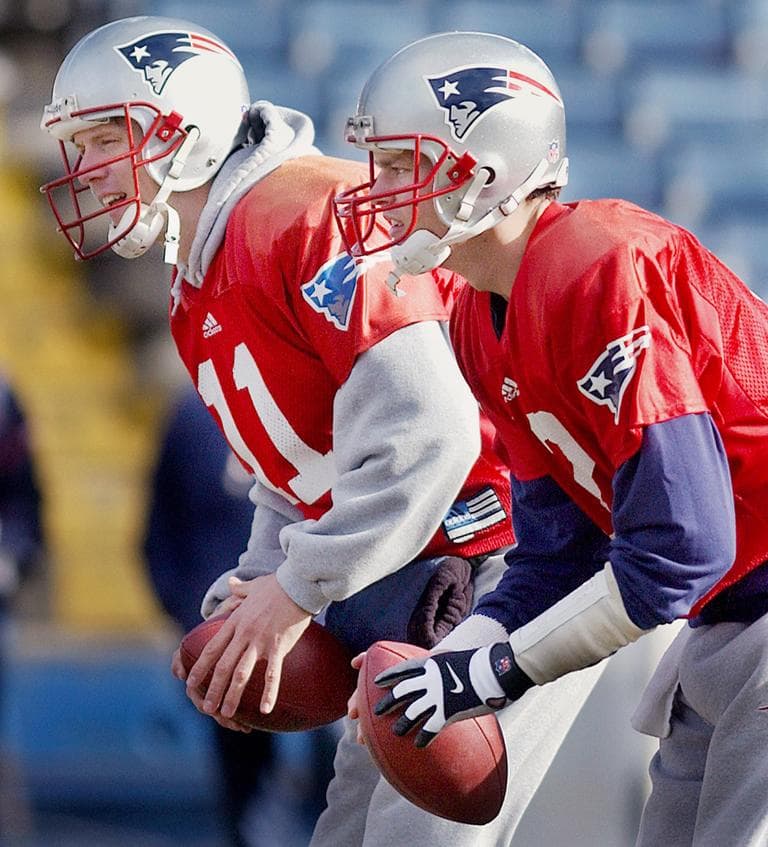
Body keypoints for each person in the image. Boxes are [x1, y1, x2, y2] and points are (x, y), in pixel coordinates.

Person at [39, 17, 602, 847]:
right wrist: (260, 576)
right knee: (346, 832)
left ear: (179, 132)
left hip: (509, 551)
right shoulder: (201, 275)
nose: (82, 168)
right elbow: (295, 471)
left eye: (99, 138)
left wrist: (295, 590)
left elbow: (433, 430)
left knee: (422, 836)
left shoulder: (309, 215)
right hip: (418, 565)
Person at [334, 30, 768, 847]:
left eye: (400, 165)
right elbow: (557, 552)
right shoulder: (475, 315)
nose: (378, 189)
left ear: (482, 169)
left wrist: (498, 669)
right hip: (727, 619)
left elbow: (682, 544)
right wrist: (453, 660)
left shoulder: (597, 266)